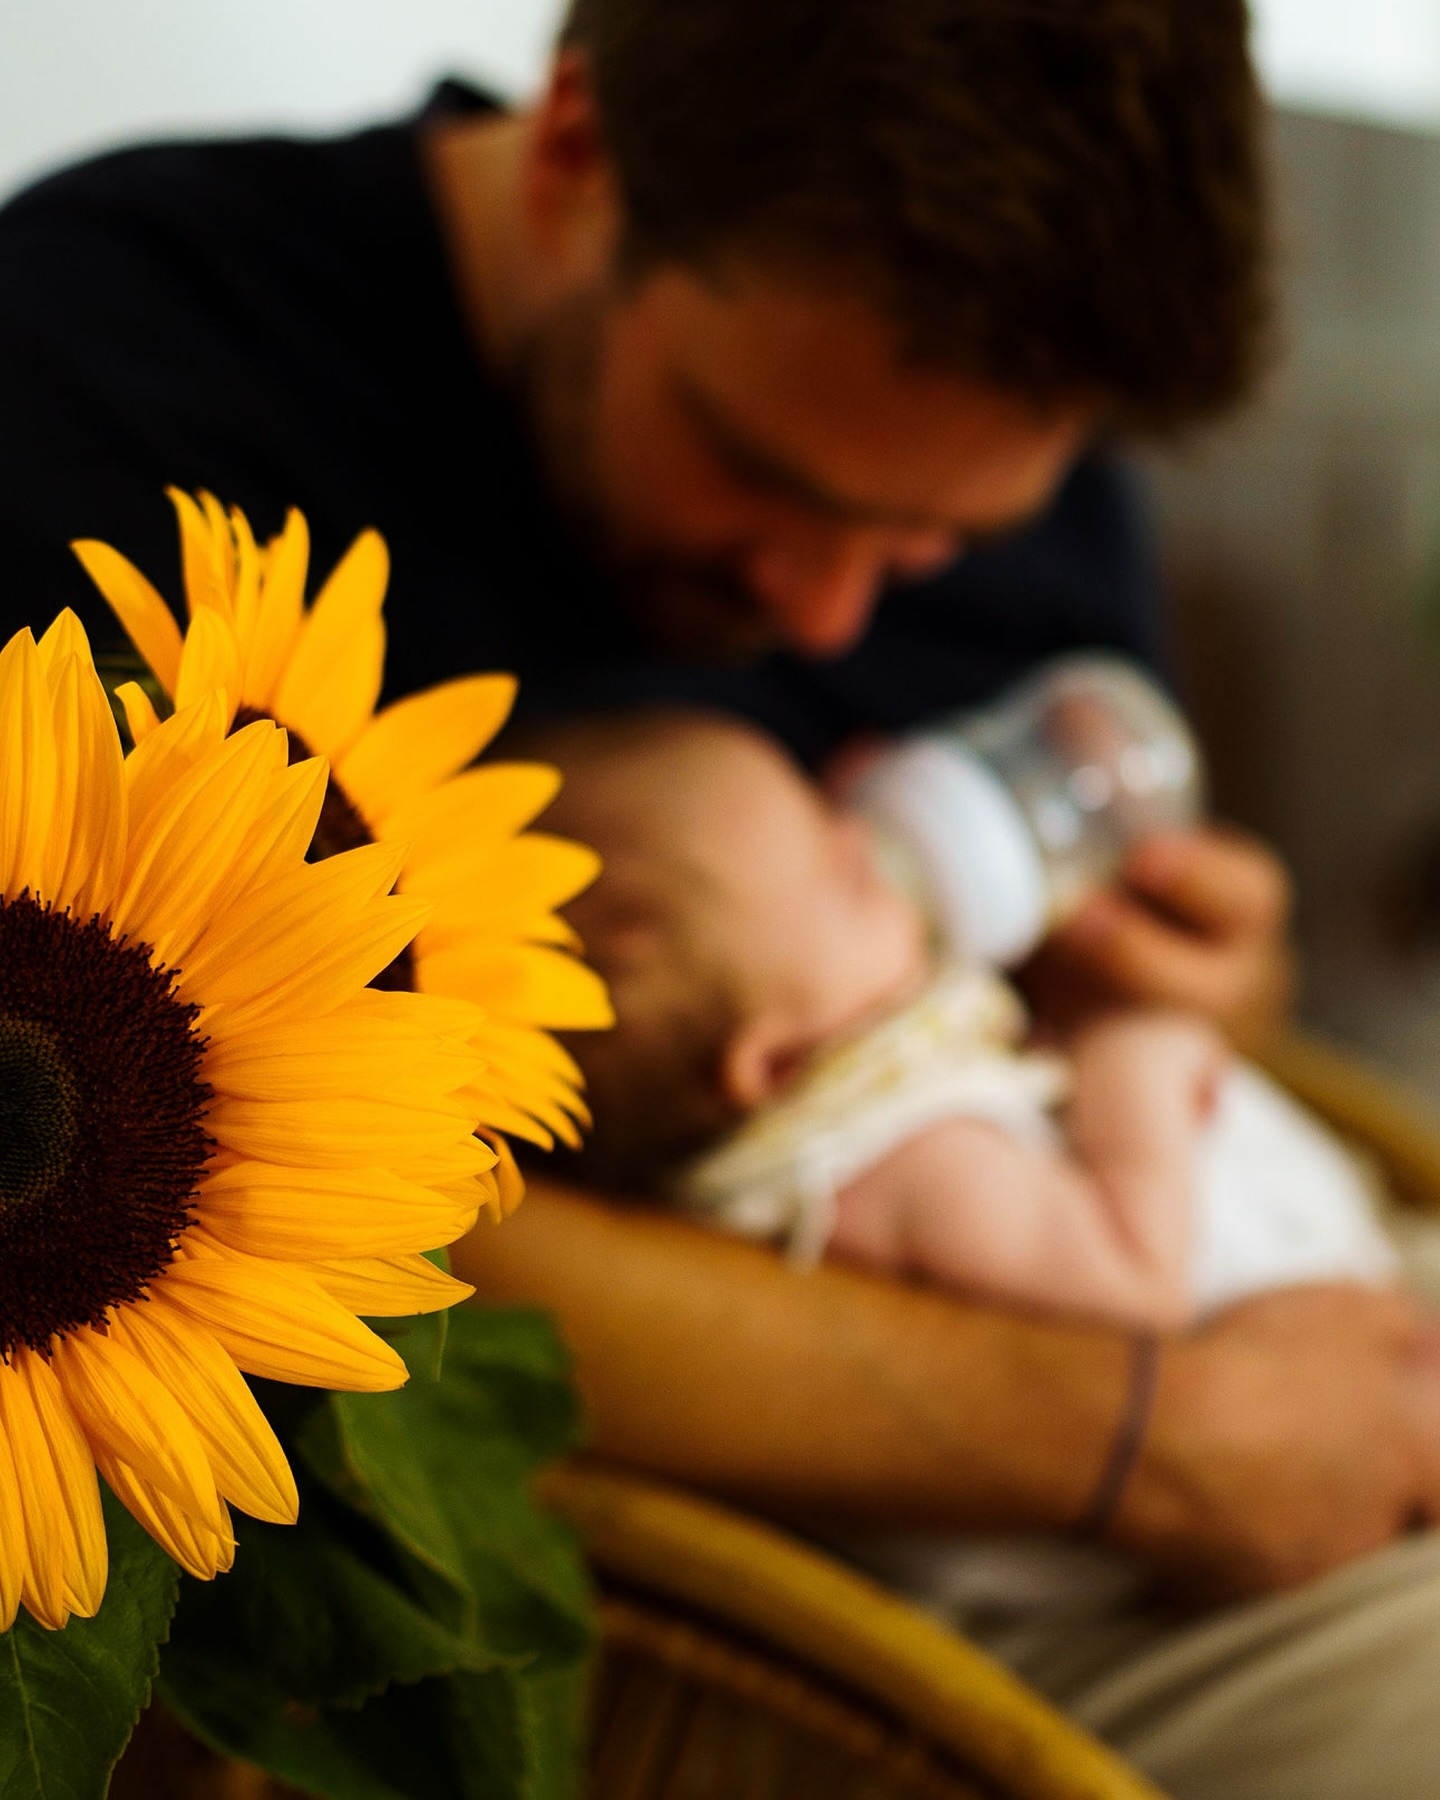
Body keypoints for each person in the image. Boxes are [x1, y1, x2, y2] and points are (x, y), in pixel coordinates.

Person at [3, 3, 1440, 1792]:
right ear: (574, 155)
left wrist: (1211, 989)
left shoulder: (1004, 402)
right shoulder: (114, 359)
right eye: (768, 484)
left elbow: (1112, 973)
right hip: (871, 1564)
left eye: (935, 545)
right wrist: (1146, 1442)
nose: (840, 619)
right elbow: (307, 1244)